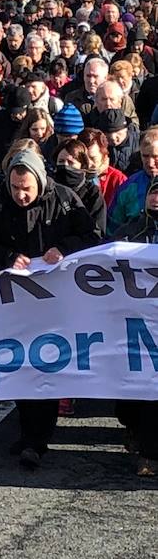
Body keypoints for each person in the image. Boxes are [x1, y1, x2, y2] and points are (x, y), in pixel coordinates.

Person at [0, 150, 100, 469]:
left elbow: (92, 236)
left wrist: (64, 249)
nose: (20, 195)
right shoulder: (0, 203)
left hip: (57, 301)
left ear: (39, 181)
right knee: (21, 364)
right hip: (17, 302)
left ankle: (37, 439)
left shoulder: (64, 200)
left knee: (46, 364)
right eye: (15, 187)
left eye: (26, 188)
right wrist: (8, 257)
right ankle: (29, 431)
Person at [113, 179, 158, 476]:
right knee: (136, 388)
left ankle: (150, 453)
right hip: (135, 323)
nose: (157, 198)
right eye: (154, 191)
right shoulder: (131, 230)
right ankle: (136, 434)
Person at [108, 128, 158, 234]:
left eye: (155, 157)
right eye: (145, 156)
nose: (150, 163)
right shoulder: (128, 187)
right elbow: (112, 228)